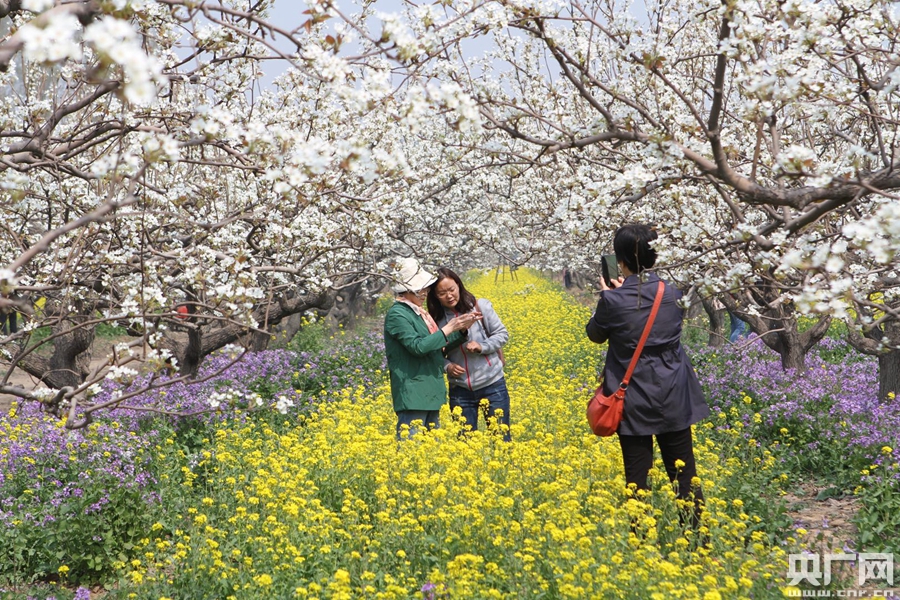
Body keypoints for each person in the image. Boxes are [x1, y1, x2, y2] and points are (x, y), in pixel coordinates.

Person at [585, 224, 709, 530]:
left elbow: (595, 335)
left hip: (633, 398)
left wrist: (608, 295)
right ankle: (698, 543)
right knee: (684, 474)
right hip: (674, 392)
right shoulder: (674, 293)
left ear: (620, 259)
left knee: (637, 477)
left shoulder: (613, 300)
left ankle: (640, 542)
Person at [384, 257, 481, 439]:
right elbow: (418, 347)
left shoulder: (418, 312)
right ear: (407, 290)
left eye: (425, 288)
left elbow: (434, 346)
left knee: (429, 452)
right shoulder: (398, 314)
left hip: (429, 391)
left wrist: (461, 329)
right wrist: (450, 327)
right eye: (420, 289)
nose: (425, 293)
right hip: (414, 393)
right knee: (411, 452)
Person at [427, 268, 512, 441]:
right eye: (442, 293)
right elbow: (432, 352)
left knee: (501, 439)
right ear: (435, 296)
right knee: (465, 443)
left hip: (492, 384)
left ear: (459, 285)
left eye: (451, 289)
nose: (449, 296)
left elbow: (502, 334)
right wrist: (447, 366)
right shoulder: (435, 319)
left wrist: (482, 346)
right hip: (460, 390)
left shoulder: (481, 306)